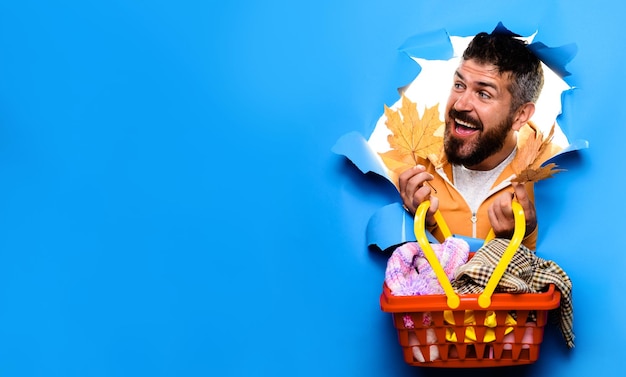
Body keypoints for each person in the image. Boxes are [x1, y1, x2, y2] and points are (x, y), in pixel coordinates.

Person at [398, 30, 561, 250]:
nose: (460, 104)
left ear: (520, 115)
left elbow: (566, 272)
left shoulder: (554, 174)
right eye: (459, 85)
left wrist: (526, 234)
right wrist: (416, 225)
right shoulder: (412, 164)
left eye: (483, 94)